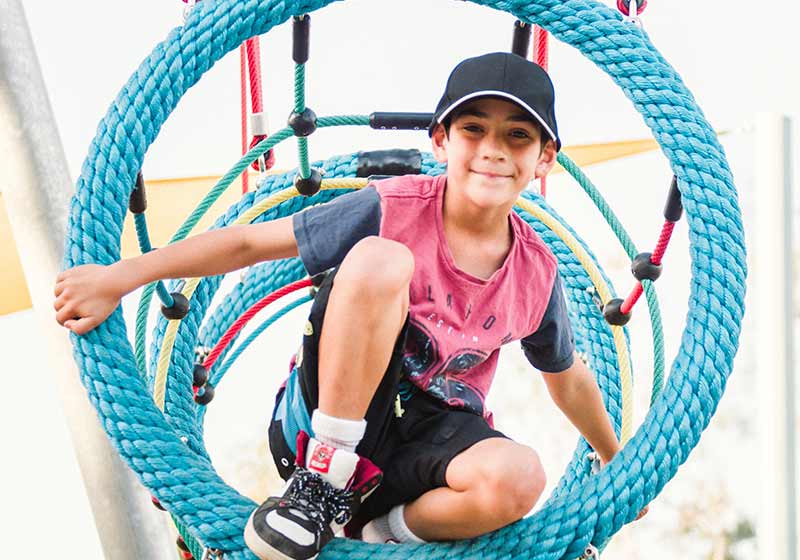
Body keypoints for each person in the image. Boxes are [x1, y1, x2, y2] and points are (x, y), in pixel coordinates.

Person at [55, 52, 646, 560]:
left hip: (426, 439)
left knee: (521, 478)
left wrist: (614, 459)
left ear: (544, 158)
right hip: (334, 411)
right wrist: (121, 276)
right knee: (382, 260)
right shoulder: (394, 207)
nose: (493, 150)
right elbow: (249, 242)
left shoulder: (536, 274)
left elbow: (566, 378)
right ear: (440, 141)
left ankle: (375, 533)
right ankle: (319, 484)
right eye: (474, 129)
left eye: (518, 136)